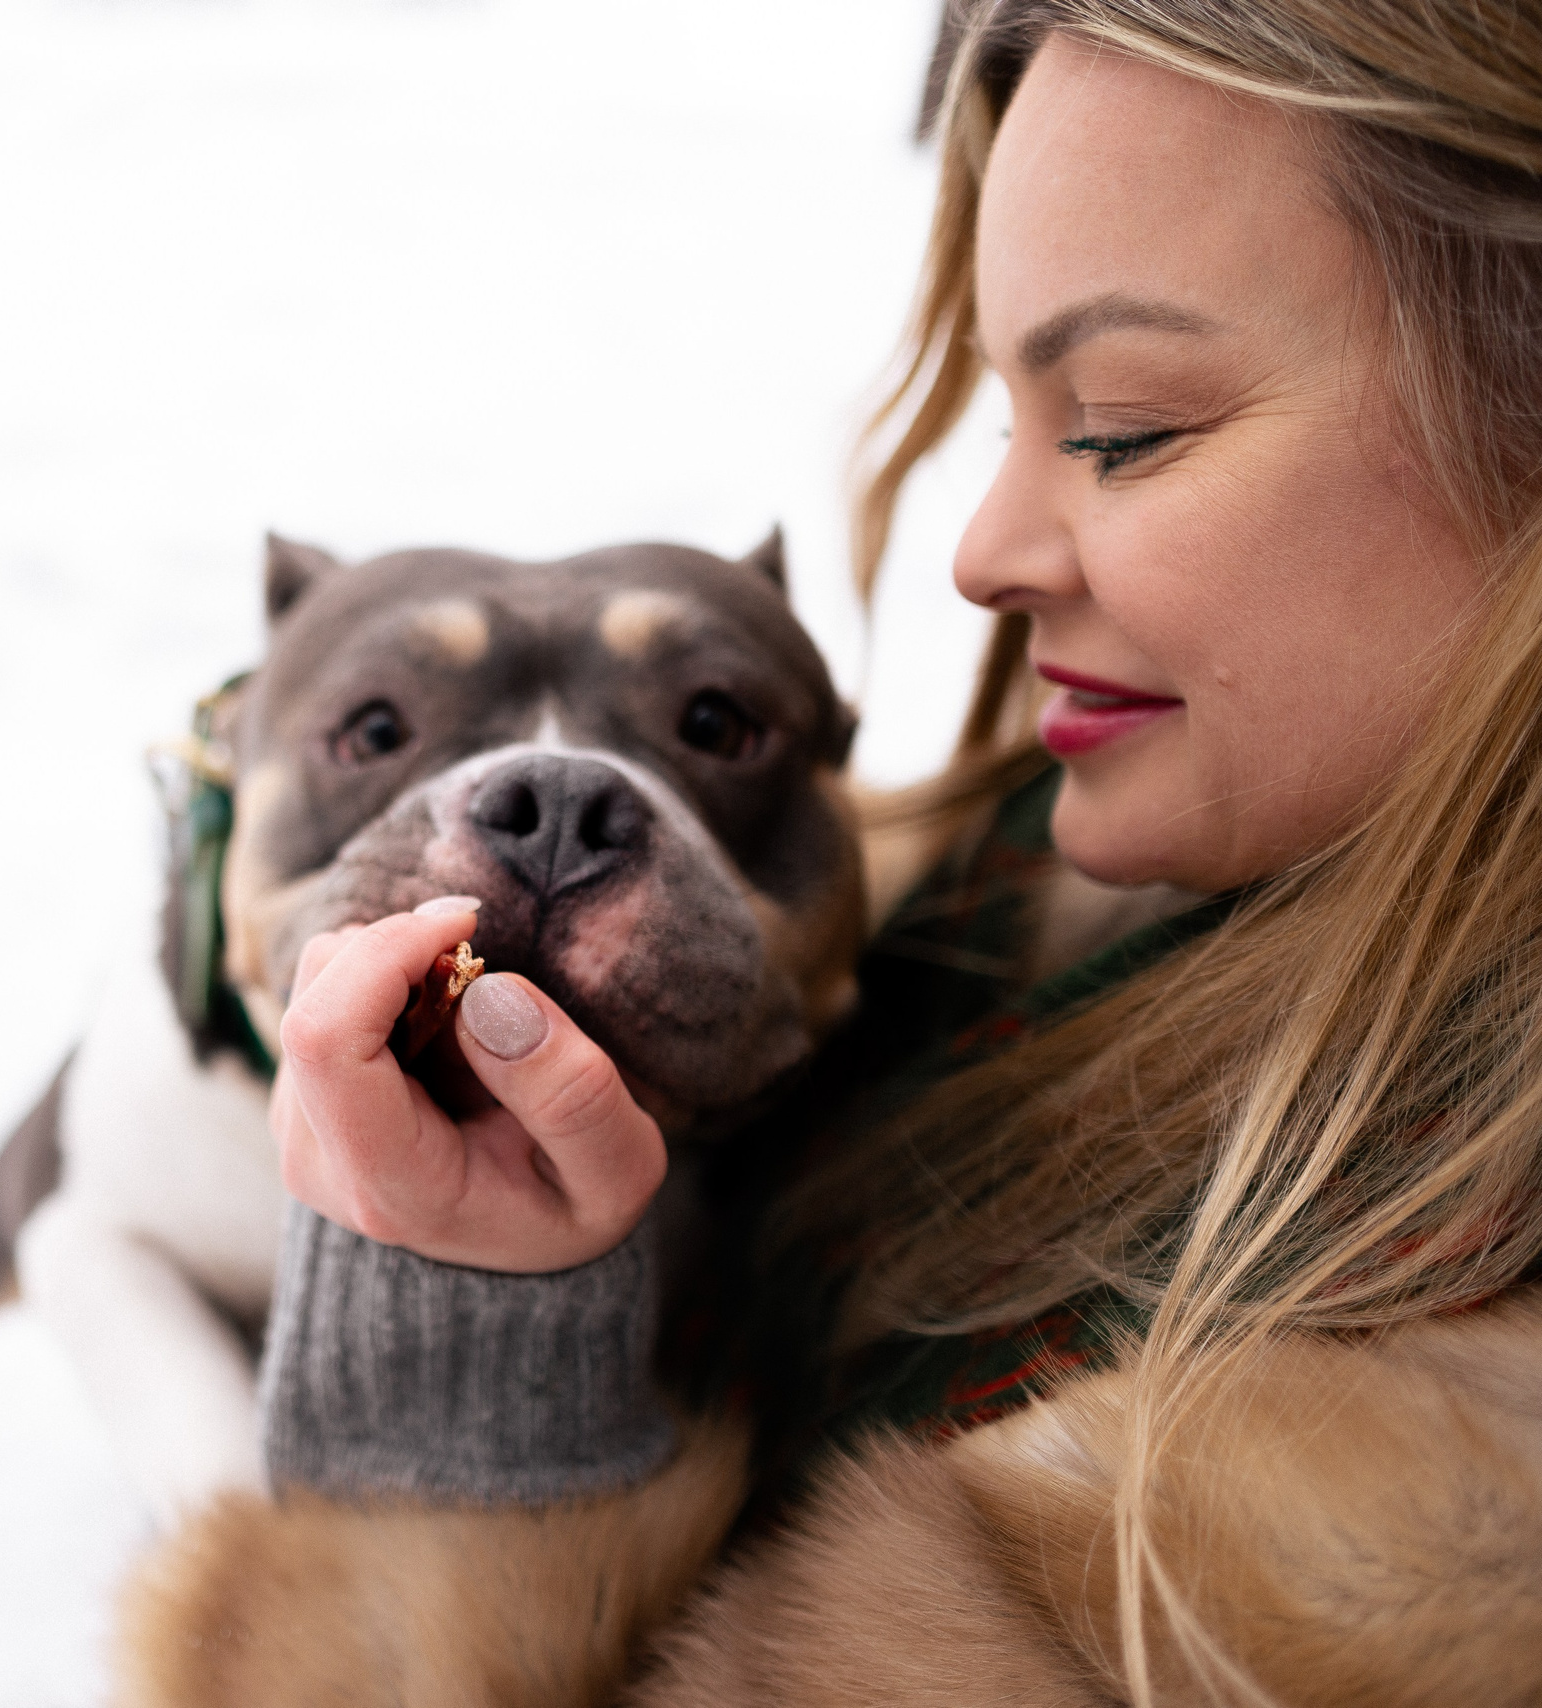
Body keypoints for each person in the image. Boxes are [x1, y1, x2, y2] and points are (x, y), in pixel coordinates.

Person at [112, 2, 1542, 1704]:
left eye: (1128, 425)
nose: (984, 555)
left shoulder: (1385, 1563)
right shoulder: (1019, 883)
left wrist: (449, 1437)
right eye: (993, 425)